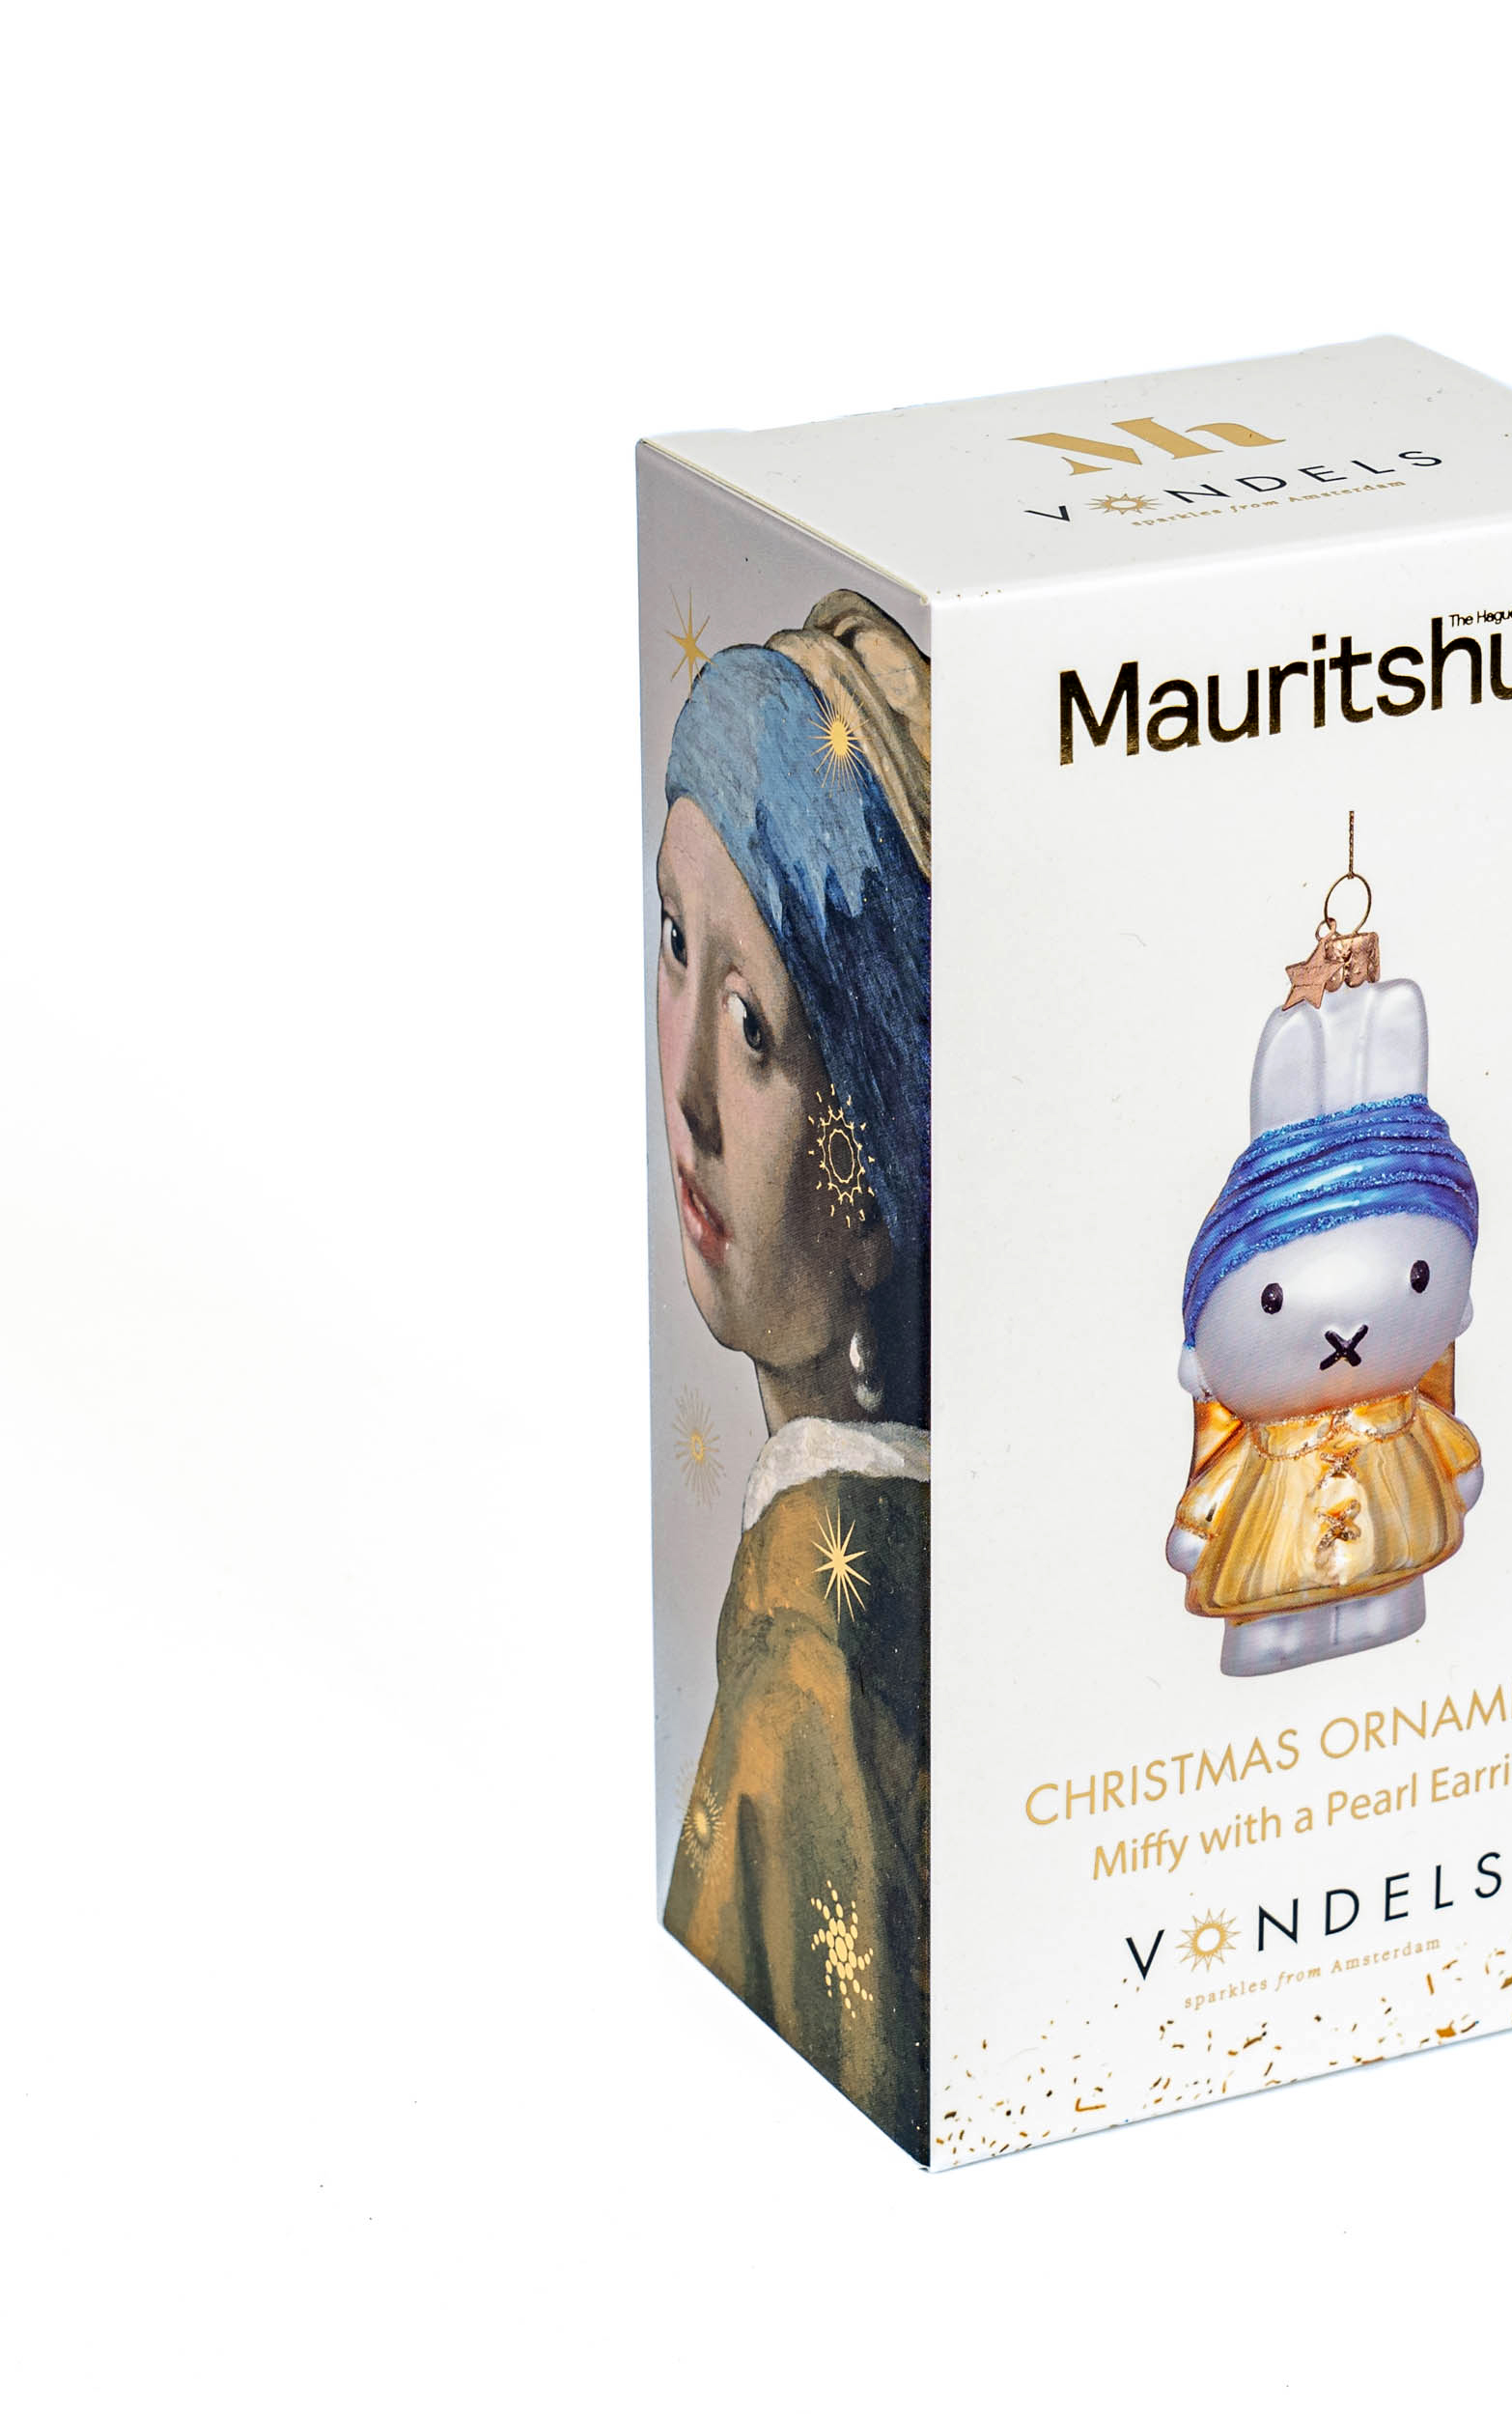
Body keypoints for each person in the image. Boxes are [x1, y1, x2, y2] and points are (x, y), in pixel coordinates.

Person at [652, 592, 932, 2155]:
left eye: (755, 1028)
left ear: (881, 1181)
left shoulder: (803, 1683)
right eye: (672, 946)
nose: (686, 1089)